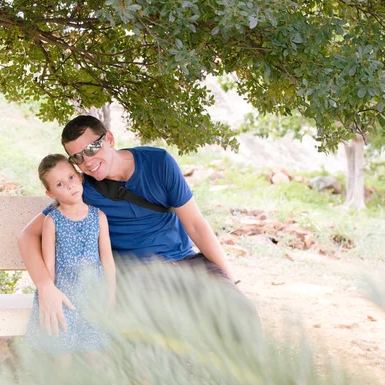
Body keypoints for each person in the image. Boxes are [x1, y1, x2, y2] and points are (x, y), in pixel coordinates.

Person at [18, 115, 260, 342]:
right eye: (77, 158)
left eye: (92, 149)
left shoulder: (159, 163)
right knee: (162, 325)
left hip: (186, 261)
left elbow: (196, 225)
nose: (88, 162)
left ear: (109, 139)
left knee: (240, 311)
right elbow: (28, 235)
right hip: (136, 274)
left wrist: (229, 281)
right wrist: (45, 286)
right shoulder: (83, 191)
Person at [24, 154, 116, 362]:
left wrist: (110, 297)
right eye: (59, 184)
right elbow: (49, 266)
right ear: (50, 193)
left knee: (97, 356)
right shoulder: (51, 220)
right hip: (65, 295)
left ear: (80, 177)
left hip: (93, 293)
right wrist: (48, 297)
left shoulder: (99, 217)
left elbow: (107, 261)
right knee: (62, 355)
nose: (69, 186)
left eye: (71, 178)